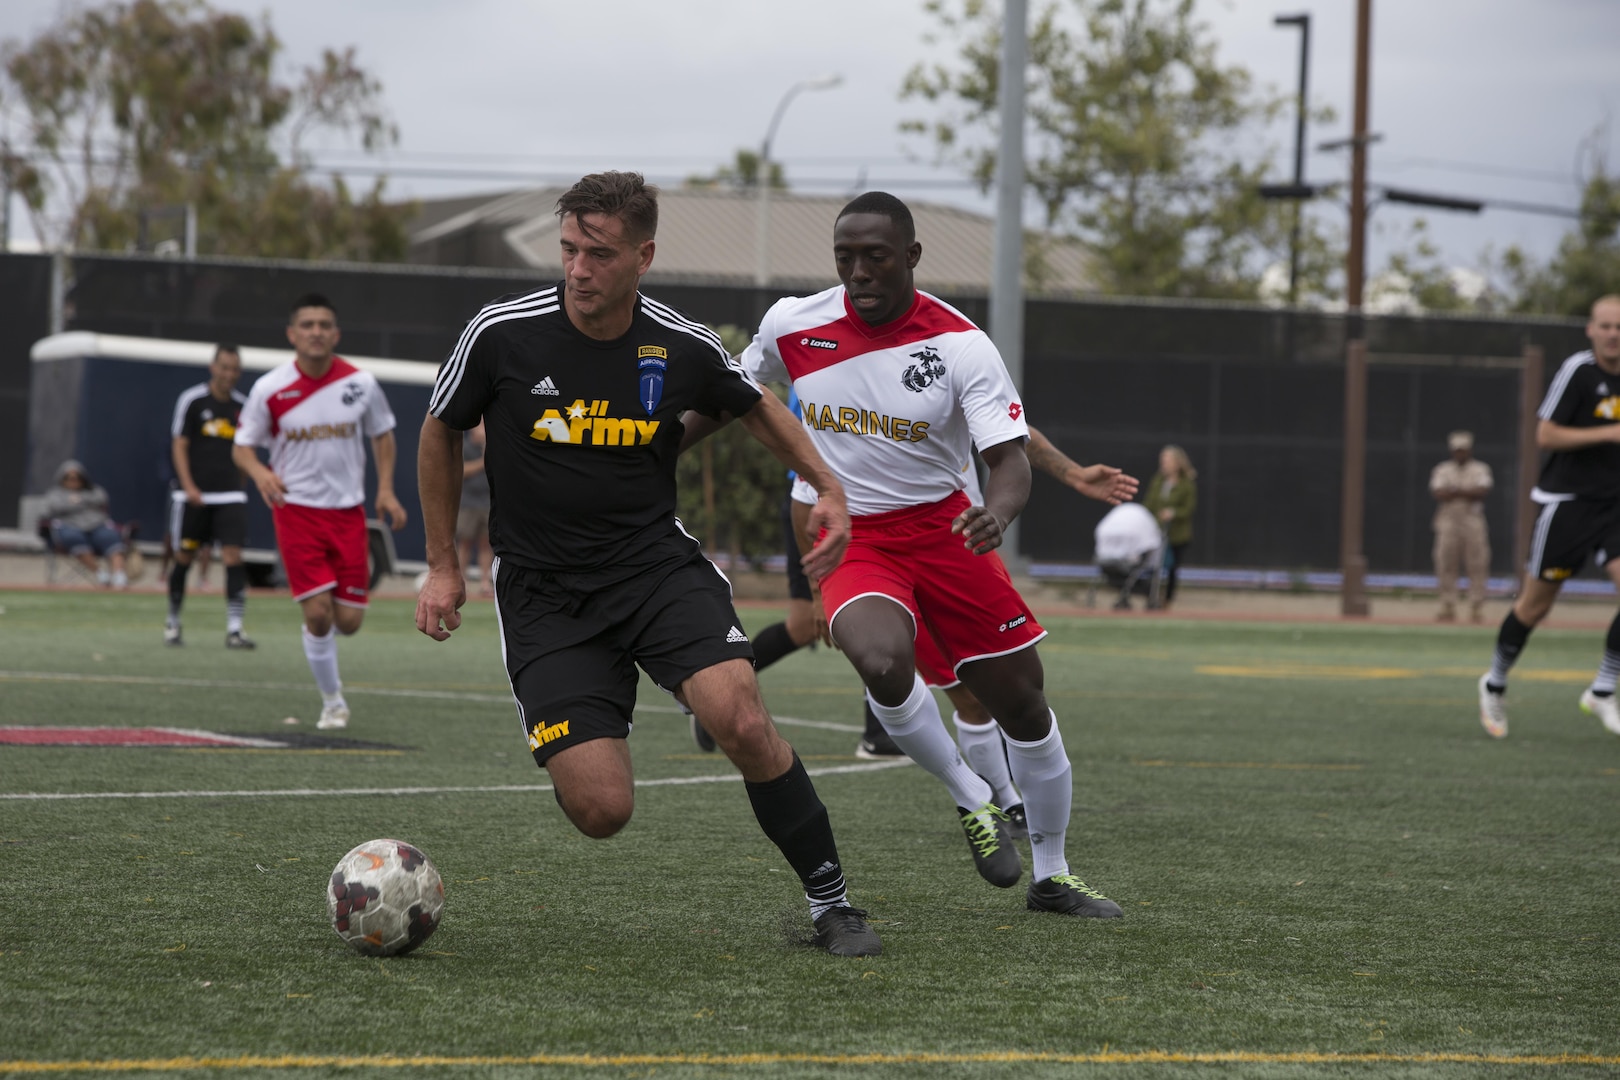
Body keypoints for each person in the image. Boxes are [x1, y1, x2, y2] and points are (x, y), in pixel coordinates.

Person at [414, 171, 881, 958]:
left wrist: (830, 485)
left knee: (739, 717)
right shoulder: (501, 333)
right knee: (602, 811)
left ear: (643, 256)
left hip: (654, 569)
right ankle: (579, 722)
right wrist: (440, 567)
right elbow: (438, 429)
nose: (577, 270)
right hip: (545, 593)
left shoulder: (680, 343)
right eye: (568, 250)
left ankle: (832, 902)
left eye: (598, 253)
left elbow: (756, 404)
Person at [740, 190, 1132, 918]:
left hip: (949, 532)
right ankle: (971, 796)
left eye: (876, 257)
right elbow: (736, 389)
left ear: (912, 257)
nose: (858, 272)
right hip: (856, 536)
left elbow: (1009, 456)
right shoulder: (793, 324)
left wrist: (1001, 510)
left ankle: (1053, 874)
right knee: (882, 662)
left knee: (1022, 703)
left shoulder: (960, 344)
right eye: (845, 257)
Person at [233, 294, 406, 729]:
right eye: (307, 324)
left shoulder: (360, 383)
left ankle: (326, 656)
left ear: (336, 333)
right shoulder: (269, 388)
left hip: (348, 514)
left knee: (348, 622)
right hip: (296, 512)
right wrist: (260, 472)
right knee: (318, 613)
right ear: (292, 334)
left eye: (323, 324)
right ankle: (333, 702)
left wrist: (385, 490)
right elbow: (242, 447)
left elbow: (383, 435)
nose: (315, 331)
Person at [1479, 294, 1620, 739]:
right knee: (1535, 606)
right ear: (1591, 330)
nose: (1614, 335)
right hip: (1568, 503)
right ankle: (1494, 682)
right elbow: (1546, 434)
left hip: (1616, 506)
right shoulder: (1580, 371)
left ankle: (1602, 691)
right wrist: (1608, 432)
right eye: (1606, 326)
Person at [165, 343, 255, 648]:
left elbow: (246, 449)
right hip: (194, 497)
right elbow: (180, 444)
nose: (229, 374)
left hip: (230, 496)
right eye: (224, 367)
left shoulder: (243, 406)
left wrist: (241, 485)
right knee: (184, 558)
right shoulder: (192, 400)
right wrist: (188, 487)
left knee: (233, 558)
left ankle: (234, 628)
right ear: (213, 367)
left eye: (234, 369)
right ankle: (173, 623)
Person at [1430, 430, 1493, 624]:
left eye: (1463, 450)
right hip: (1448, 521)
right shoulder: (1442, 469)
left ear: (1470, 450)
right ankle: (1447, 605)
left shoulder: (1480, 469)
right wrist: (1466, 492)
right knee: (1445, 561)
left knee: (1477, 563)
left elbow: (1482, 490)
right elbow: (1439, 492)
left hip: (1473, 522)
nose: (1460, 454)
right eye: (1457, 450)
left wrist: (1455, 490)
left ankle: (1476, 606)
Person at [42, 460, 128, 588]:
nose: (73, 481)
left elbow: (102, 498)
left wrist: (80, 499)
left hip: (96, 526)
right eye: (69, 478)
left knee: (111, 536)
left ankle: (119, 576)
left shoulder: (93, 491)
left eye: (77, 478)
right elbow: (50, 508)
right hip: (71, 527)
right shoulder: (56, 494)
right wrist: (71, 503)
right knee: (73, 538)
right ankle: (101, 574)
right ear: (62, 479)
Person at [1141, 444, 1196, 608]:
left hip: (1177, 534)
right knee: (1152, 565)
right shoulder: (1158, 480)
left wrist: (1173, 513)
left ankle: (1168, 600)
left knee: (1172, 568)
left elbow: (1188, 509)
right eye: (1162, 460)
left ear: (1177, 463)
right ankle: (1151, 596)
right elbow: (1149, 503)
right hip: (1156, 532)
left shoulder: (1187, 484)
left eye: (1167, 460)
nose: (1164, 464)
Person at [455, 421, 495, 597]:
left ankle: (485, 581)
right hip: (468, 504)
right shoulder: (465, 447)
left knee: (486, 544)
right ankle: (461, 579)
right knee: (464, 542)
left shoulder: (492, 448)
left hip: (487, 503)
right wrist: (482, 461)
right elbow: (462, 471)